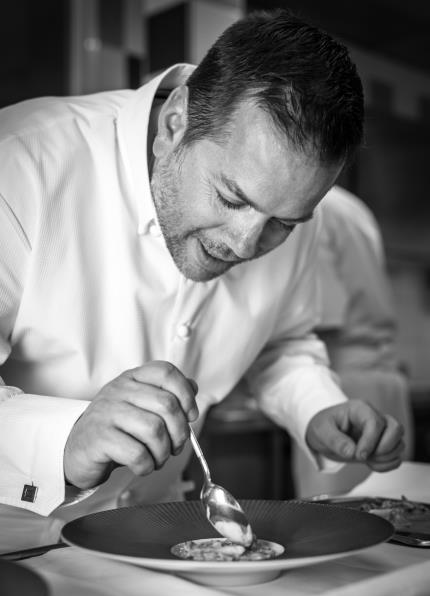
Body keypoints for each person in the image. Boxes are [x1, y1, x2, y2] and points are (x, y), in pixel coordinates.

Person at [0, 9, 404, 549]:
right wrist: (64, 438)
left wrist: (315, 408)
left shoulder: (291, 206)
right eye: (230, 198)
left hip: (157, 541)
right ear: (175, 124)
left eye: (281, 225)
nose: (243, 245)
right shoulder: (20, 163)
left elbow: (282, 342)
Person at [292, 185, 414, 497]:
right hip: (385, 383)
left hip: (343, 391)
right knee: (395, 523)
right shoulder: (350, 206)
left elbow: (322, 320)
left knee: (338, 524)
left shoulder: (310, 208)